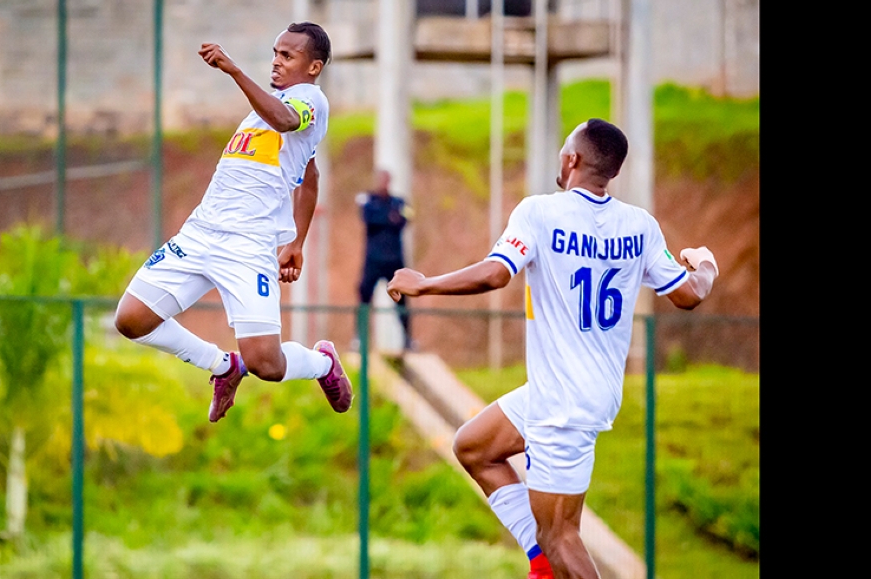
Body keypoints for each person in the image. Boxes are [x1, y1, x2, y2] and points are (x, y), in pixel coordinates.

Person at [387, 119, 718, 579]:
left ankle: (546, 556)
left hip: (563, 404)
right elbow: (689, 293)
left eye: (564, 148)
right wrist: (706, 265)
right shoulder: (639, 226)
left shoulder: (540, 213)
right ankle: (541, 563)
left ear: (572, 159)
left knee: (561, 535)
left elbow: (495, 273)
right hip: (564, 390)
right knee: (474, 447)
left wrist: (425, 284)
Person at [114, 22, 353, 424]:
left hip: (247, 245)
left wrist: (234, 70)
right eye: (275, 53)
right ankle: (223, 366)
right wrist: (296, 241)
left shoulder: (310, 100)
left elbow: (283, 120)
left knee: (268, 365)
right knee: (131, 320)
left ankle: (321, 363)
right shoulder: (267, 105)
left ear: (313, 67)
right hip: (200, 233)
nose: (276, 62)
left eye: (287, 56)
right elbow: (309, 175)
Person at [354, 169, 414, 350]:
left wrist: (386, 217)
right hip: (372, 260)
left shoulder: (399, 201)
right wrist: (389, 218)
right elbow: (369, 217)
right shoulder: (368, 200)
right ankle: (359, 339)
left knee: (402, 300)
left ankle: (408, 340)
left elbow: (406, 218)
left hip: (394, 260)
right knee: (364, 297)